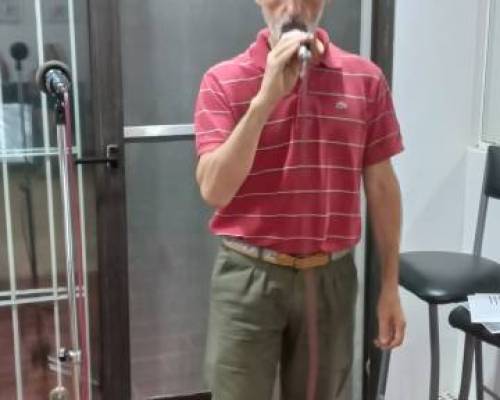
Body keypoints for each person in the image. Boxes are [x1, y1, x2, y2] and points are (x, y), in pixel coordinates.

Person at [193, 1, 406, 399]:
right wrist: (265, 99)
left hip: (330, 278)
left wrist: (390, 286)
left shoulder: (365, 80)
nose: (292, 7)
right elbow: (214, 190)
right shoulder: (223, 80)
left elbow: (382, 187)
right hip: (247, 275)